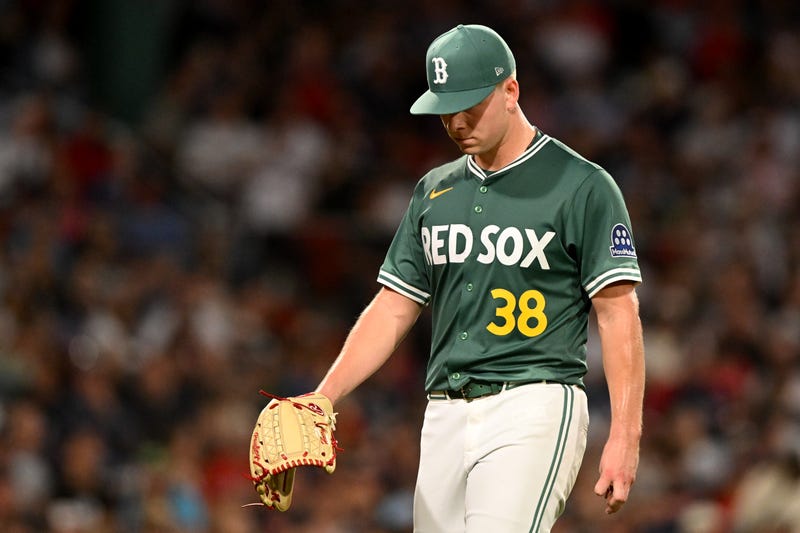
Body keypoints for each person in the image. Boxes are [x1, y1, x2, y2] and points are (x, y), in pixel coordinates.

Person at [316, 24, 645, 532]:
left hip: (533, 400)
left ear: (510, 90)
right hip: (444, 412)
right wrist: (324, 395)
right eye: (446, 107)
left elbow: (617, 310)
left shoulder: (582, 185)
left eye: (471, 103)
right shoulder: (434, 190)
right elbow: (394, 305)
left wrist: (625, 433)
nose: (456, 120)